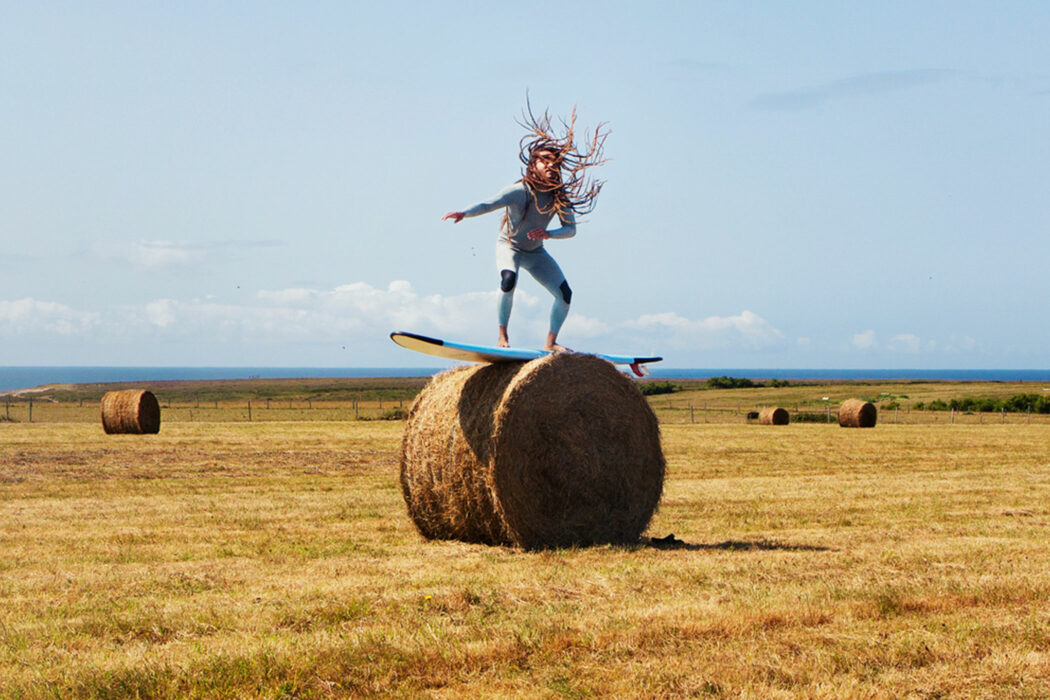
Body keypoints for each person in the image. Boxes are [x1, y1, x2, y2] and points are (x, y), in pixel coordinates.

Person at [443, 102, 608, 352]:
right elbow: (489, 203)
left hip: (536, 253)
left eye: (555, 164)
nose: (552, 167)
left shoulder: (558, 197)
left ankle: (551, 343)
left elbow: (571, 230)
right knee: (508, 280)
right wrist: (464, 213)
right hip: (510, 247)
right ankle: (502, 337)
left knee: (565, 294)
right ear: (533, 166)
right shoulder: (520, 191)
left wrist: (548, 234)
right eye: (546, 163)